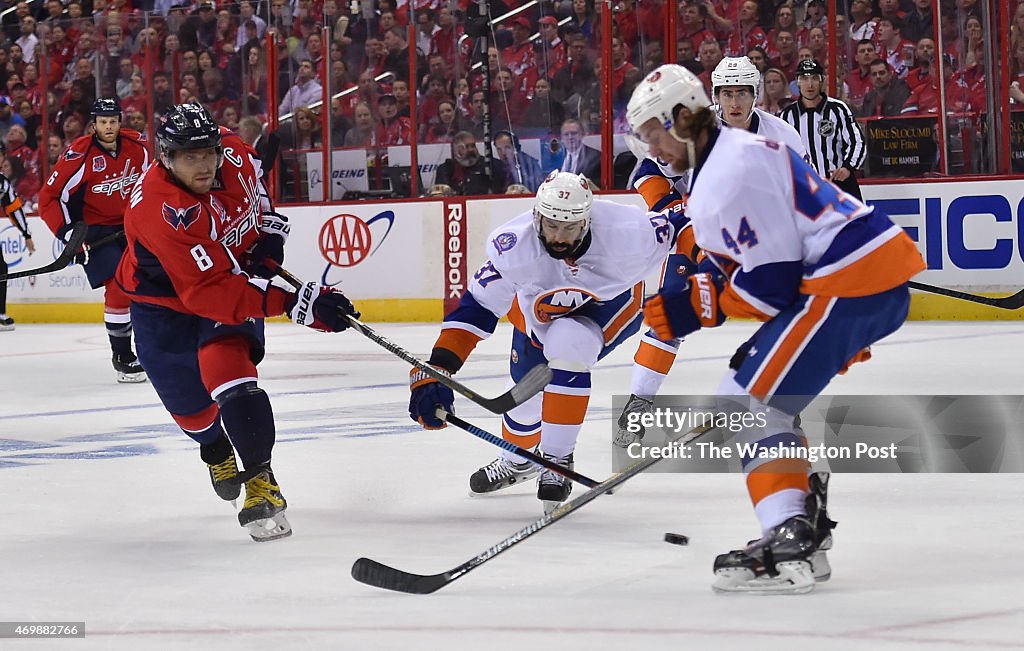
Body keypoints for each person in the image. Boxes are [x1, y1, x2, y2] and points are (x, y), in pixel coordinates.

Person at [627, 64, 925, 593]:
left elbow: (772, 285)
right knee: (763, 394)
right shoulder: (729, 160)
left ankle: (789, 536)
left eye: (653, 135)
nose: (653, 150)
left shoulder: (727, 173)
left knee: (745, 403)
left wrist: (699, 306)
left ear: (681, 118)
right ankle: (803, 518)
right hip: (856, 278)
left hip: (844, 281)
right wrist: (705, 290)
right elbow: (755, 263)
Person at [114, 104, 359, 542]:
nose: (204, 163)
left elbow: (256, 186)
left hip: (228, 279)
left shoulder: (233, 151)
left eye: (208, 152)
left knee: (232, 376)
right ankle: (215, 447)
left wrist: (267, 235)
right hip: (163, 305)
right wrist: (296, 304)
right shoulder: (160, 208)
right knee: (195, 414)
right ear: (165, 157)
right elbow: (208, 291)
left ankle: (262, 483)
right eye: (190, 157)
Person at [407, 171, 689, 512]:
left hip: (610, 306)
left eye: (569, 228)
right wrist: (438, 367)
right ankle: (518, 461)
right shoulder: (513, 244)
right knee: (525, 396)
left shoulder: (629, 232)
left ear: (587, 222)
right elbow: (477, 309)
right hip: (538, 313)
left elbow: (686, 227)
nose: (558, 236)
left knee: (569, 344)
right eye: (551, 224)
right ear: (537, 215)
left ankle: (557, 462)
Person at [617, 56, 808, 444]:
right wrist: (675, 212)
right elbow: (647, 172)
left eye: (741, 93)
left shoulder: (784, 136)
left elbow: (801, 197)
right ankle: (639, 402)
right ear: (714, 96)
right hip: (699, 232)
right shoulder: (695, 129)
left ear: (755, 95)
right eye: (725, 93)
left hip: (756, 241)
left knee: (785, 317)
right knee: (670, 309)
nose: (733, 102)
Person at [38, 97, 150, 383]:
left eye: (113, 121)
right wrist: (69, 236)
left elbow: (153, 187)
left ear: (120, 121)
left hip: (133, 227)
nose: (109, 126)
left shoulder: (139, 148)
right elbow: (49, 198)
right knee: (117, 286)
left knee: (155, 282)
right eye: (103, 122)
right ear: (94, 124)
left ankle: (157, 348)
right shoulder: (79, 155)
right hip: (97, 231)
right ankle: (122, 356)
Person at [779, 59, 866, 200]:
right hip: (805, 187)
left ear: (822, 81)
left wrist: (848, 167)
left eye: (814, 78)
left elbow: (857, 142)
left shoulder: (838, 109)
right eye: (805, 79)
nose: (810, 84)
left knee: (853, 222)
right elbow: (780, 151)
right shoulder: (787, 115)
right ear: (797, 82)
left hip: (838, 184)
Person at [0, 142, 32, 331]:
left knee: (1, 267)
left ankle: (0, 313)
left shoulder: (2, 183)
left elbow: (14, 208)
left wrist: (26, 234)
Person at [433, 131, 507, 196]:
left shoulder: (492, 165)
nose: (471, 149)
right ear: (456, 150)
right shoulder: (445, 169)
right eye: (466, 147)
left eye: (473, 146)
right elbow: (441, 196)